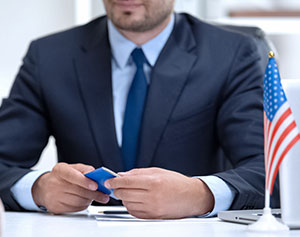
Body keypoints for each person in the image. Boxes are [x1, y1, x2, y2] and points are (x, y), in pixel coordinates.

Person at [0, 0, 279, 219]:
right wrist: (38, 188)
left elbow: (271, 169)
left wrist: (201, 194)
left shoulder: (231, 54)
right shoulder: (49, 56)